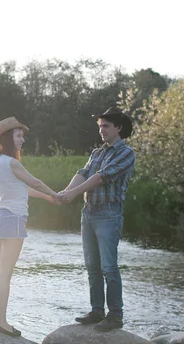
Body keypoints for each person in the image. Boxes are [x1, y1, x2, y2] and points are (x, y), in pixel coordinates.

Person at [59, 107, 135, 332]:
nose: (101, 130)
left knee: (109, 267)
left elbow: (100, 177)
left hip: (109, 215)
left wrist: (72, 194)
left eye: (106, 126)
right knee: (92, 266)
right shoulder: (97, 153)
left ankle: (115, 315)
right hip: (89, 213)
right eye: (100, 126)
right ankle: (96, 311)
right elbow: (83, 172)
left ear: (118, 128)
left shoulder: (126, 153)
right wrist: (64, 192)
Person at [0, 117, 60, 337]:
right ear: (8, 138)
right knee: (5, 274)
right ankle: (1, 322)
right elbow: (34, 182)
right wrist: (55, 193)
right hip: (13, 220)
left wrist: (47, 199)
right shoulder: (12, 162)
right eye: (18, 136)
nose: (22, 140)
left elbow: (22, 190)